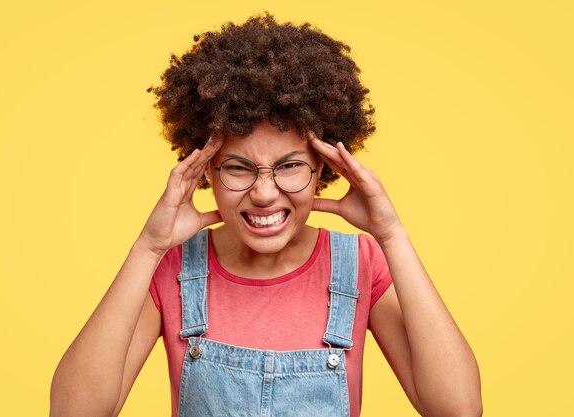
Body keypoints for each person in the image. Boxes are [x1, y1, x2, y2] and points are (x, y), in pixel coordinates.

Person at [50, 13, 482, 417]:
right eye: (239, 167)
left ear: (323, 169)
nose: (263, 193)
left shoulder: (361, 264)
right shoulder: (174, 267)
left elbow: (458, 408)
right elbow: (74, 410)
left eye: (289, 166)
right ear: (205, 170)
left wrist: (393, 235)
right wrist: (148, 247)